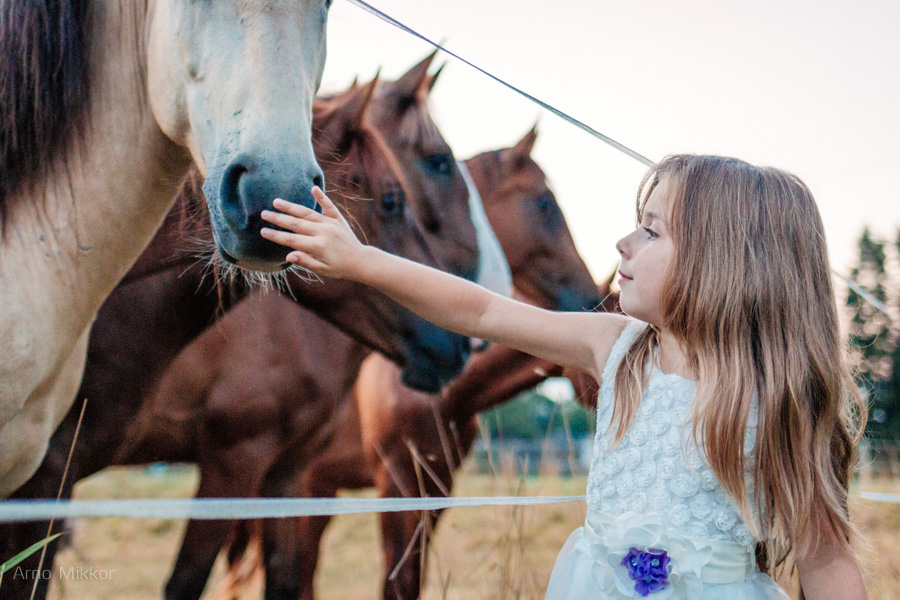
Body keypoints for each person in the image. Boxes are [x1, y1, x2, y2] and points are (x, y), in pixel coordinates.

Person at [260, 154, 868, 600]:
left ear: (723, 260)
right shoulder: (617, 348)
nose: (623, 244)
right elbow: (483, 310)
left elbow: (825, 560)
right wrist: (363, 260)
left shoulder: (781, 397)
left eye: (651, 230)